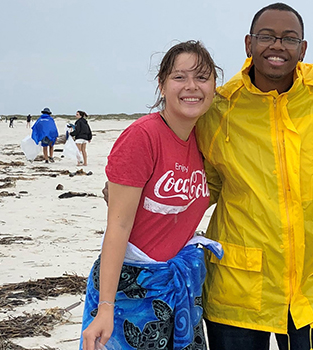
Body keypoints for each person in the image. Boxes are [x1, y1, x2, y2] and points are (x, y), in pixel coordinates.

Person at [194, 3, 313, 349]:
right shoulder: (220, 108)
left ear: (303, 48)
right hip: (238, 288)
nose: (277, 46)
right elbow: (199, 180)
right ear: (249, 44)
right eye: (266, 36)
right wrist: (135, 190)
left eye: (289, 38)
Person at [80, 40, 222, 350]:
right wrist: (106, 307)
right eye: (179, 77)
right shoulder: (142, 137)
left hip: (180, 287)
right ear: (161, 85)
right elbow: (117, 227)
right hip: (129, 290)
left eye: (201, 77)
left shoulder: (206, 139)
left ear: (214, 86)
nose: (191, 87)